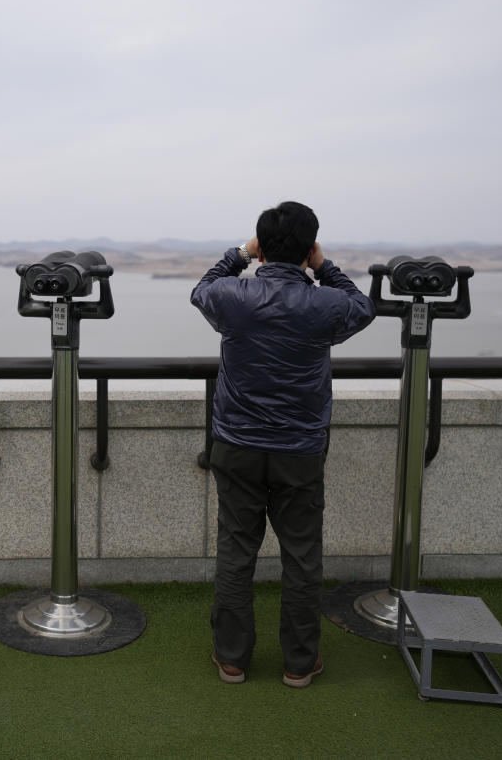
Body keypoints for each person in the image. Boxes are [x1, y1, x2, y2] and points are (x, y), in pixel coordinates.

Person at [190, 201, 375, 688]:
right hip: (300, 447)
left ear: (261, 247)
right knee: (301, 554)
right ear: (309, 247)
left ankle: (232, 658)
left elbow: (200, 290)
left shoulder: (234, 296)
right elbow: (363, 306)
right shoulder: (326, 304)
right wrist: (324, 266)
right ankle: (299, 661)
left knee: (235, 549)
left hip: (236, 442)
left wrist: (238, 253)